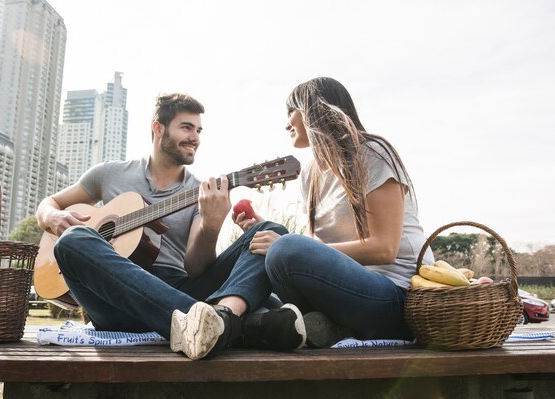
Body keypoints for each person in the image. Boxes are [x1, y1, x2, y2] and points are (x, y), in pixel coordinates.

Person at [36, 93, 306, 360]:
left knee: (272, 232)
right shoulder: (109, 173)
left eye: (199, 130)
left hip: (177, 286)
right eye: (186, 127)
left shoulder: (201, 191)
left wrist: (211, 226)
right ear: (158, 128)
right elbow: (49, 203)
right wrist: (51, 216)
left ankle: (216, 322)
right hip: (114, 298)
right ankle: (227, 324)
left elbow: (195, 268)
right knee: (72, 240)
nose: (195, 138)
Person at [242, 77, 434, 348]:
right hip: (344, 295)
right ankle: (325, 326)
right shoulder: (311, 173)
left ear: (312, 110)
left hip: (396, 297)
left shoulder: (371, 152)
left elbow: (384, 249)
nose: (287, 123)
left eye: (291, 112)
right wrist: (267, 233)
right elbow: (320, 249)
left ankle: (277, 324)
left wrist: (288, 247)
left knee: (285, 248)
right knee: (270, 243)